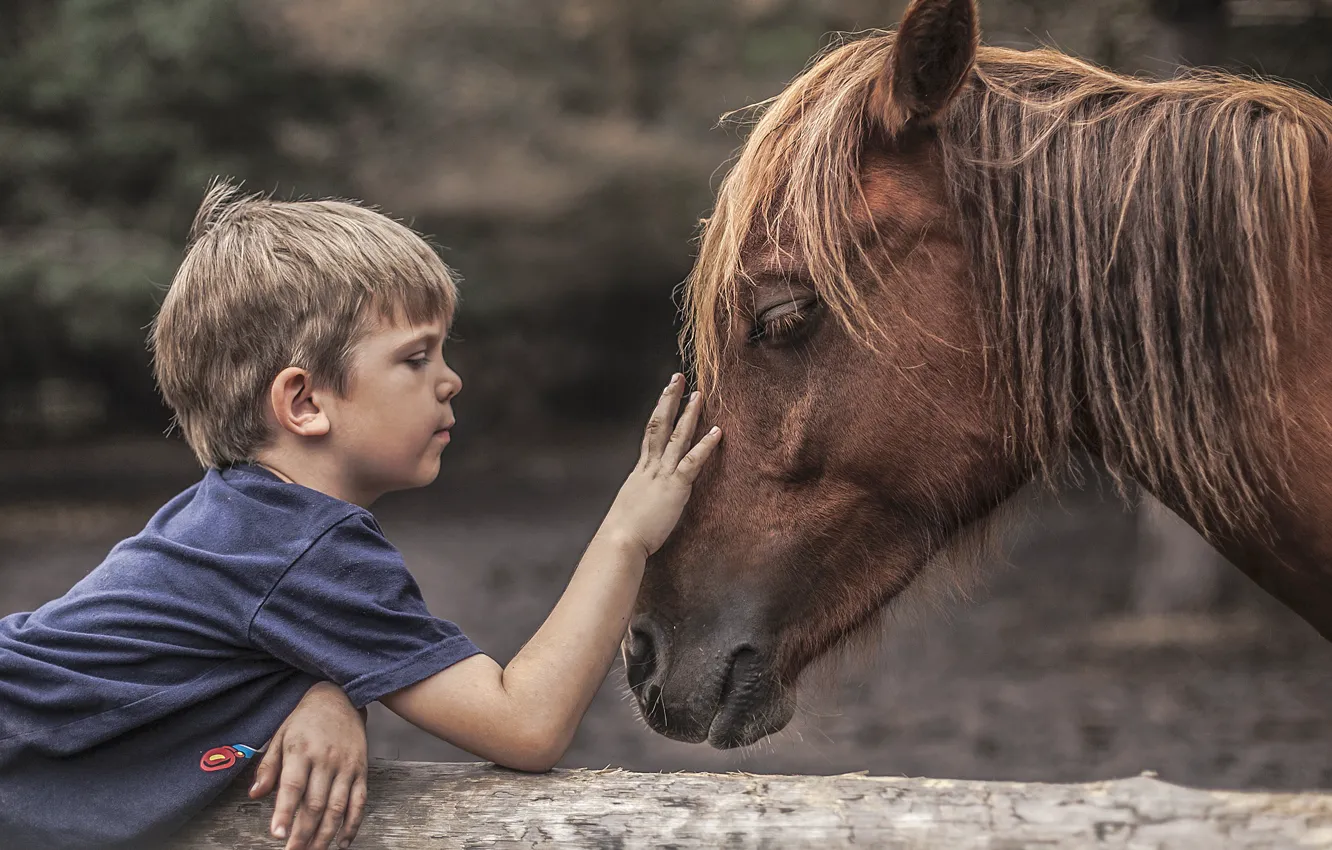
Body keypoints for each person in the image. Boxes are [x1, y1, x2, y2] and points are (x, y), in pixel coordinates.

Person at [0, 181, 721, 850]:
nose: (451, 379)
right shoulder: (306, 547)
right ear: (305, 403)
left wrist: (324, 691)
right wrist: (628, 532)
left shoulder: (239, 524)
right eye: (415, 358)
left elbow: (210, 660)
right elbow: (526, 724)